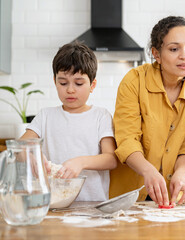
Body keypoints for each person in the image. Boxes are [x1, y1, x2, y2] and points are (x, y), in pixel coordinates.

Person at [109, 16, 185, 207]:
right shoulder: (134, 81)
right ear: (156, 53)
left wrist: (181, 174)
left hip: (173, 197)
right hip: (130, 197)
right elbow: (127, 138)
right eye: (174, 49)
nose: (184, 55)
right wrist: (148, 171)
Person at [20, 41, 118, 201]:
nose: (70, 89)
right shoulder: (46, 116)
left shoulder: (101, 116)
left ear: (92, 85)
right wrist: (30, 156)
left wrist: (81, 162)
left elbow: (112, 159)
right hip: (53, 205)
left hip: (92, 206)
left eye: (79, 83)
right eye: (63, 83)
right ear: (54, 81)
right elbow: (20, 147)